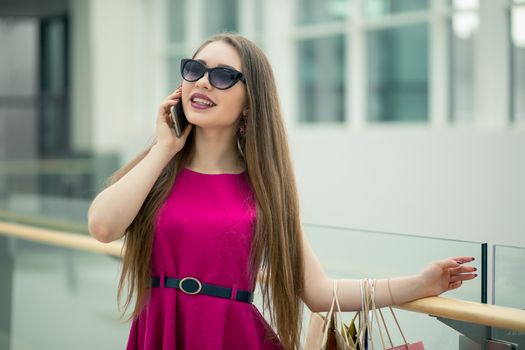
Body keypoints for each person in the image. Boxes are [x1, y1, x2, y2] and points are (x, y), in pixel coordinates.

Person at [87, 33, 477, 350]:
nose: (202, 81)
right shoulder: (159, 167)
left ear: (249, 104)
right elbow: (102, 226)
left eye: (223, 76)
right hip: (160, 333)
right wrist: (164, 148)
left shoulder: (263, 191)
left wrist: (420, 284)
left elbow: (319, 292)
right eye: (194, 70)